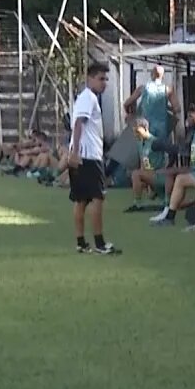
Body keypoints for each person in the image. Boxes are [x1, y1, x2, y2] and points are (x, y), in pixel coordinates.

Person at [67, 63, 119, 255]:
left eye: (106, 79)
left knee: (81, 200)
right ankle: (100, 243)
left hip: (83, 154)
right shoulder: (88, 97)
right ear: (90, 79)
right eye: (101, 78)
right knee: (97, 198)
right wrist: (76, 152)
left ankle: (81, 242)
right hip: (88, 156)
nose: (104, 83)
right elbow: (79, 123)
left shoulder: (86, 97)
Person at [150, 105, 195, 222]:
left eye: (190, 116)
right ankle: (167, 207)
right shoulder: (194, 131)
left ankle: (169, 211)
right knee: (167, 173)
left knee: (177, 177)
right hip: (193, 166)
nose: (188, 119)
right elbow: (185, 149)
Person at [122, 65, 179, 170]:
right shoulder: (168, 89)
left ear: (151, 75)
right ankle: (160, 175)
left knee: (144, 152)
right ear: (162, 76)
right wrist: (166, 108)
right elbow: (177, 109)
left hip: (145, 126)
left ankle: (144, 175)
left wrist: (131, 114)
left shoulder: (142, 88)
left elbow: (127, 103)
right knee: (161, 151)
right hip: (162, 127)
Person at [127, 118, 163, 208]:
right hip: (150, 175)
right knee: (134, 175)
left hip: (159, 174)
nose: (135, 134)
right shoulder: (140, 143)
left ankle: (138, 203)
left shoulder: (155, 142)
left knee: (136, 174)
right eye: (134, 132)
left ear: (145, 128)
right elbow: (143, 163)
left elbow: (166, 159)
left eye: (137, 131)